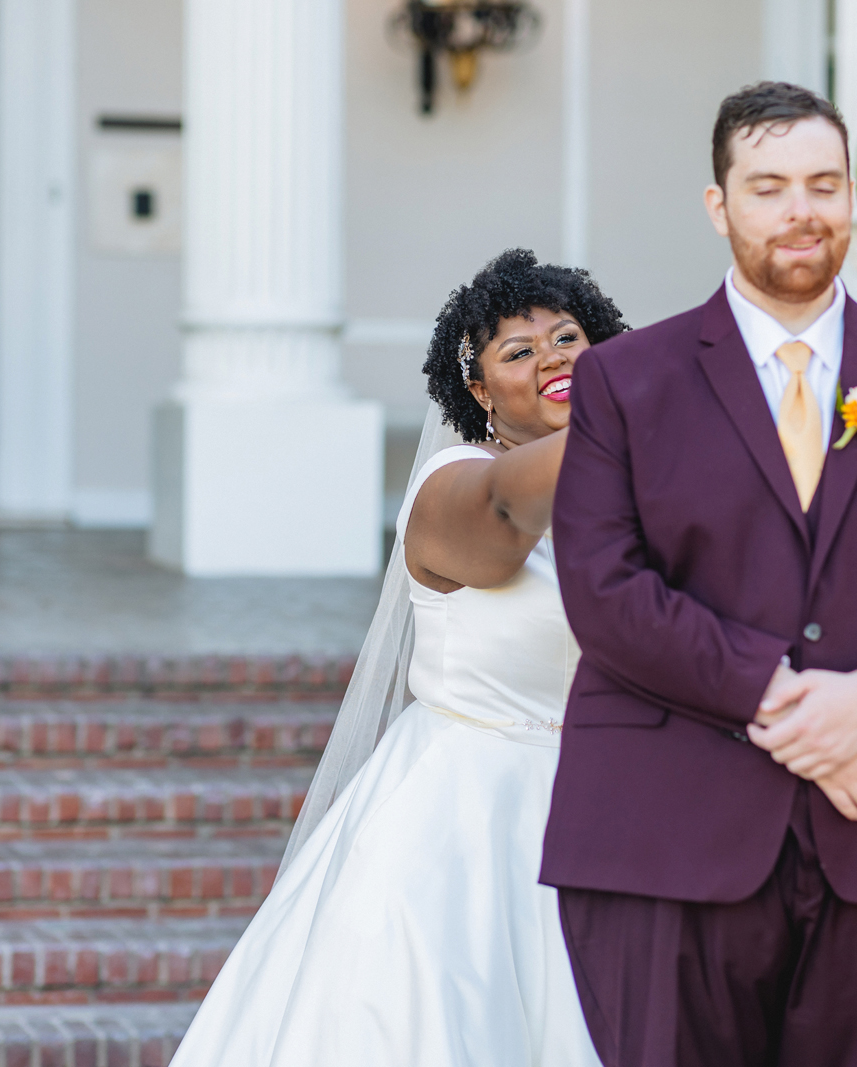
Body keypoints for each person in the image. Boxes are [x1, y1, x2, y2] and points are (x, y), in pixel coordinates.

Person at [542, 82, 857, 1067]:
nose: (800, 209)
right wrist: (794, 708)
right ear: (719, 205)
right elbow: (604, 585)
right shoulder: (625, 381)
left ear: (851, 197)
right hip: (668, 831)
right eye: (767, 186)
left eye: (824, 183)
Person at [167, 248, 626, 1067]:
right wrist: (627, 419)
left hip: (606, 820)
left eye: (567, 337)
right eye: (519, 353)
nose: (554, 357)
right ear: (480, 392)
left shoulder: (640, 495)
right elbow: (505, 519)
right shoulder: (456, 483)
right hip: (463, 828)